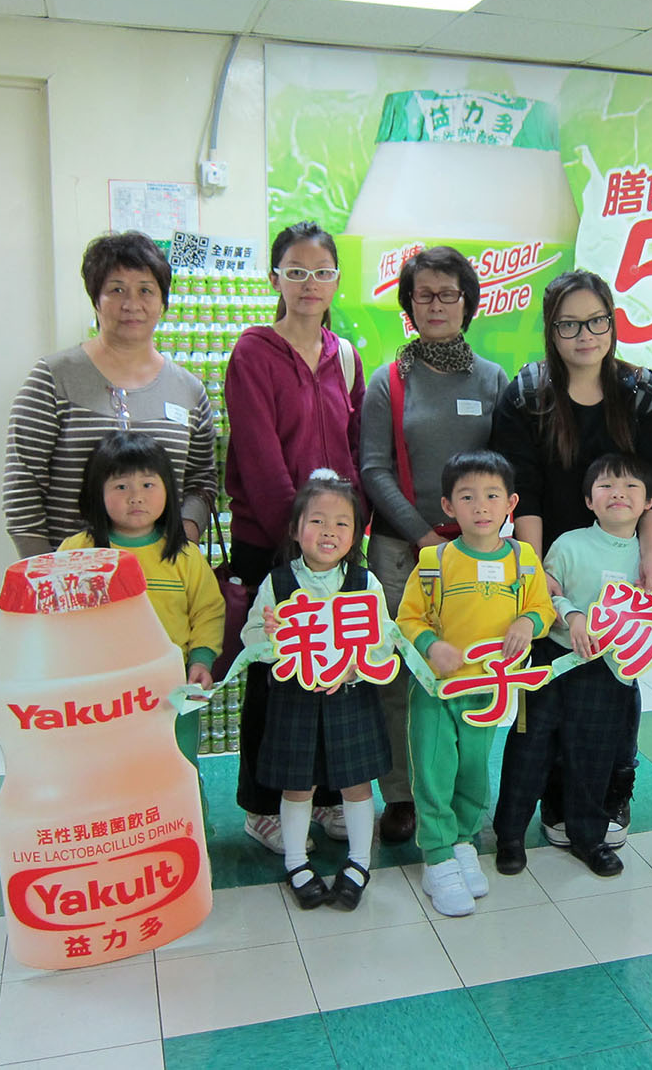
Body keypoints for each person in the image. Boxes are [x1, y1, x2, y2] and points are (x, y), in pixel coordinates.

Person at [490, 269, 652, 849]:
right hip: (559, 563)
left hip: (619, 559)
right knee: (552, 687)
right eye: (568, 325)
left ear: (612, 323)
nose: (584, 335)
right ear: (551, 330)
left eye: (595, 321)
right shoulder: (527, 393)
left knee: (616, 678)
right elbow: (525, 491)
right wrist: (537, 577)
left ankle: (612, 793)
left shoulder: (639, 391)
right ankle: (554, 802)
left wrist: (650, 557)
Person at [225, 222, 366, 854]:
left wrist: (347, 531)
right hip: (272, 544)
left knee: (337, 667)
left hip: (336, 546)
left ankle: (330, 795)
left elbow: (356, 451)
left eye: (322, 272)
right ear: (275, 279)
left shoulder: (346, 356)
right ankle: (264, 806)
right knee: (276, 672)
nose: (311, 284)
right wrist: (299, 539)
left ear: (336, 280)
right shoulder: (253, 353)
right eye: (297, 271)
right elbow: (258, 458)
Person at [0, 432, 223, 788]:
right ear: (97, 493)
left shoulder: (185, 556)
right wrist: (7, 656)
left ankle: (186, 823)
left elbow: (208, 612)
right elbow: (46, 617)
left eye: (148, 484)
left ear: (169, 490)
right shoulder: (76, 552)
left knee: (175, 769)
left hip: (172, 688)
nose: (136, 496)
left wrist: (201, 660)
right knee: (107, 775)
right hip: (99, 696)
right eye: (121, 486)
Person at [361, 246, 509, 845]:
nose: (437, 305)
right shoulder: (388, 380)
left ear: (468, 303)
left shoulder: (492, 379)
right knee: (401, 677)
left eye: (450, 294)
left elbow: (505, 469)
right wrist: (425, 538)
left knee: (470, 671)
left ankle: (457, 791)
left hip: (477, 556)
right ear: (409, 305)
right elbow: (373, 469)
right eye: (424, 295)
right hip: (403, 552)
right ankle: (401, 795)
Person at [397, 450, 556, 917]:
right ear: (448, 506)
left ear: (511, 503)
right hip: (437, 690)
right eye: (467, 497)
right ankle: (437, 855)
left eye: (491, 496)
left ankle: (463, 840)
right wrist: (431, 646)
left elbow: (543, 609)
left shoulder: (523, 559)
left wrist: (527, 622)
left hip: (489, 691)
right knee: (433, 770)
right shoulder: (434, 560)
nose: (481, 506)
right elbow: (406, 619)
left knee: (472, 770)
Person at [493, 454, 652, 880]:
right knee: (530, 746)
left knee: (594, 754)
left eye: (631, 487)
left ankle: (588, 836)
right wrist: (572, 614)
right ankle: (509, 835)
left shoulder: (646, 561)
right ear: (588, 500)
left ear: (648, 502)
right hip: (550, 662)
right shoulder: (568, 544)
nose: (618, 493)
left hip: (607, 673)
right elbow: (542, 593)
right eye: (605, 486)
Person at [3, 232, 215, 556]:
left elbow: (201, 480)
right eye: (116, 290)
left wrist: (182, 545)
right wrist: (45, 569)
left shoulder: (188, 390)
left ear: (163, 302)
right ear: (96, 300)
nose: (132, 304)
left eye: (145, 290)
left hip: (162, 575)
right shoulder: (53, 379)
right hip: (73, 571)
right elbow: (23, 484)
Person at [240, 469, 393, 911]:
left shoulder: (366, 582)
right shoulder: (277, 582)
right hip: (294, 701)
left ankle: (360, 862)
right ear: (295, 529)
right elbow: (251, 641)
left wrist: (353, 670)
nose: (329, 531)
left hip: (351, 696)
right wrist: (270, 635)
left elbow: (383, 642)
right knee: (297, 785)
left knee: (357, 784)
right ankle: (296, 862)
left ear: (356, 534)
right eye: (318, 521)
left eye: (342, 523)